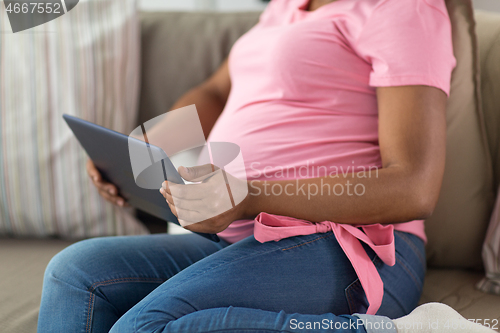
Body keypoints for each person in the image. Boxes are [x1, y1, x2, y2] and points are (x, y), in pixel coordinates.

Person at [37, 0, 495, 332]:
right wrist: (145, 147)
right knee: (75, 273)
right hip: (243, 237)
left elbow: (414, 187)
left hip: (347, 246)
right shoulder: (282, 9)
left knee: (144, 326)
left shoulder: (403, 9)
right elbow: (215, 93)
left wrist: (248, 195)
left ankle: (376, 328)